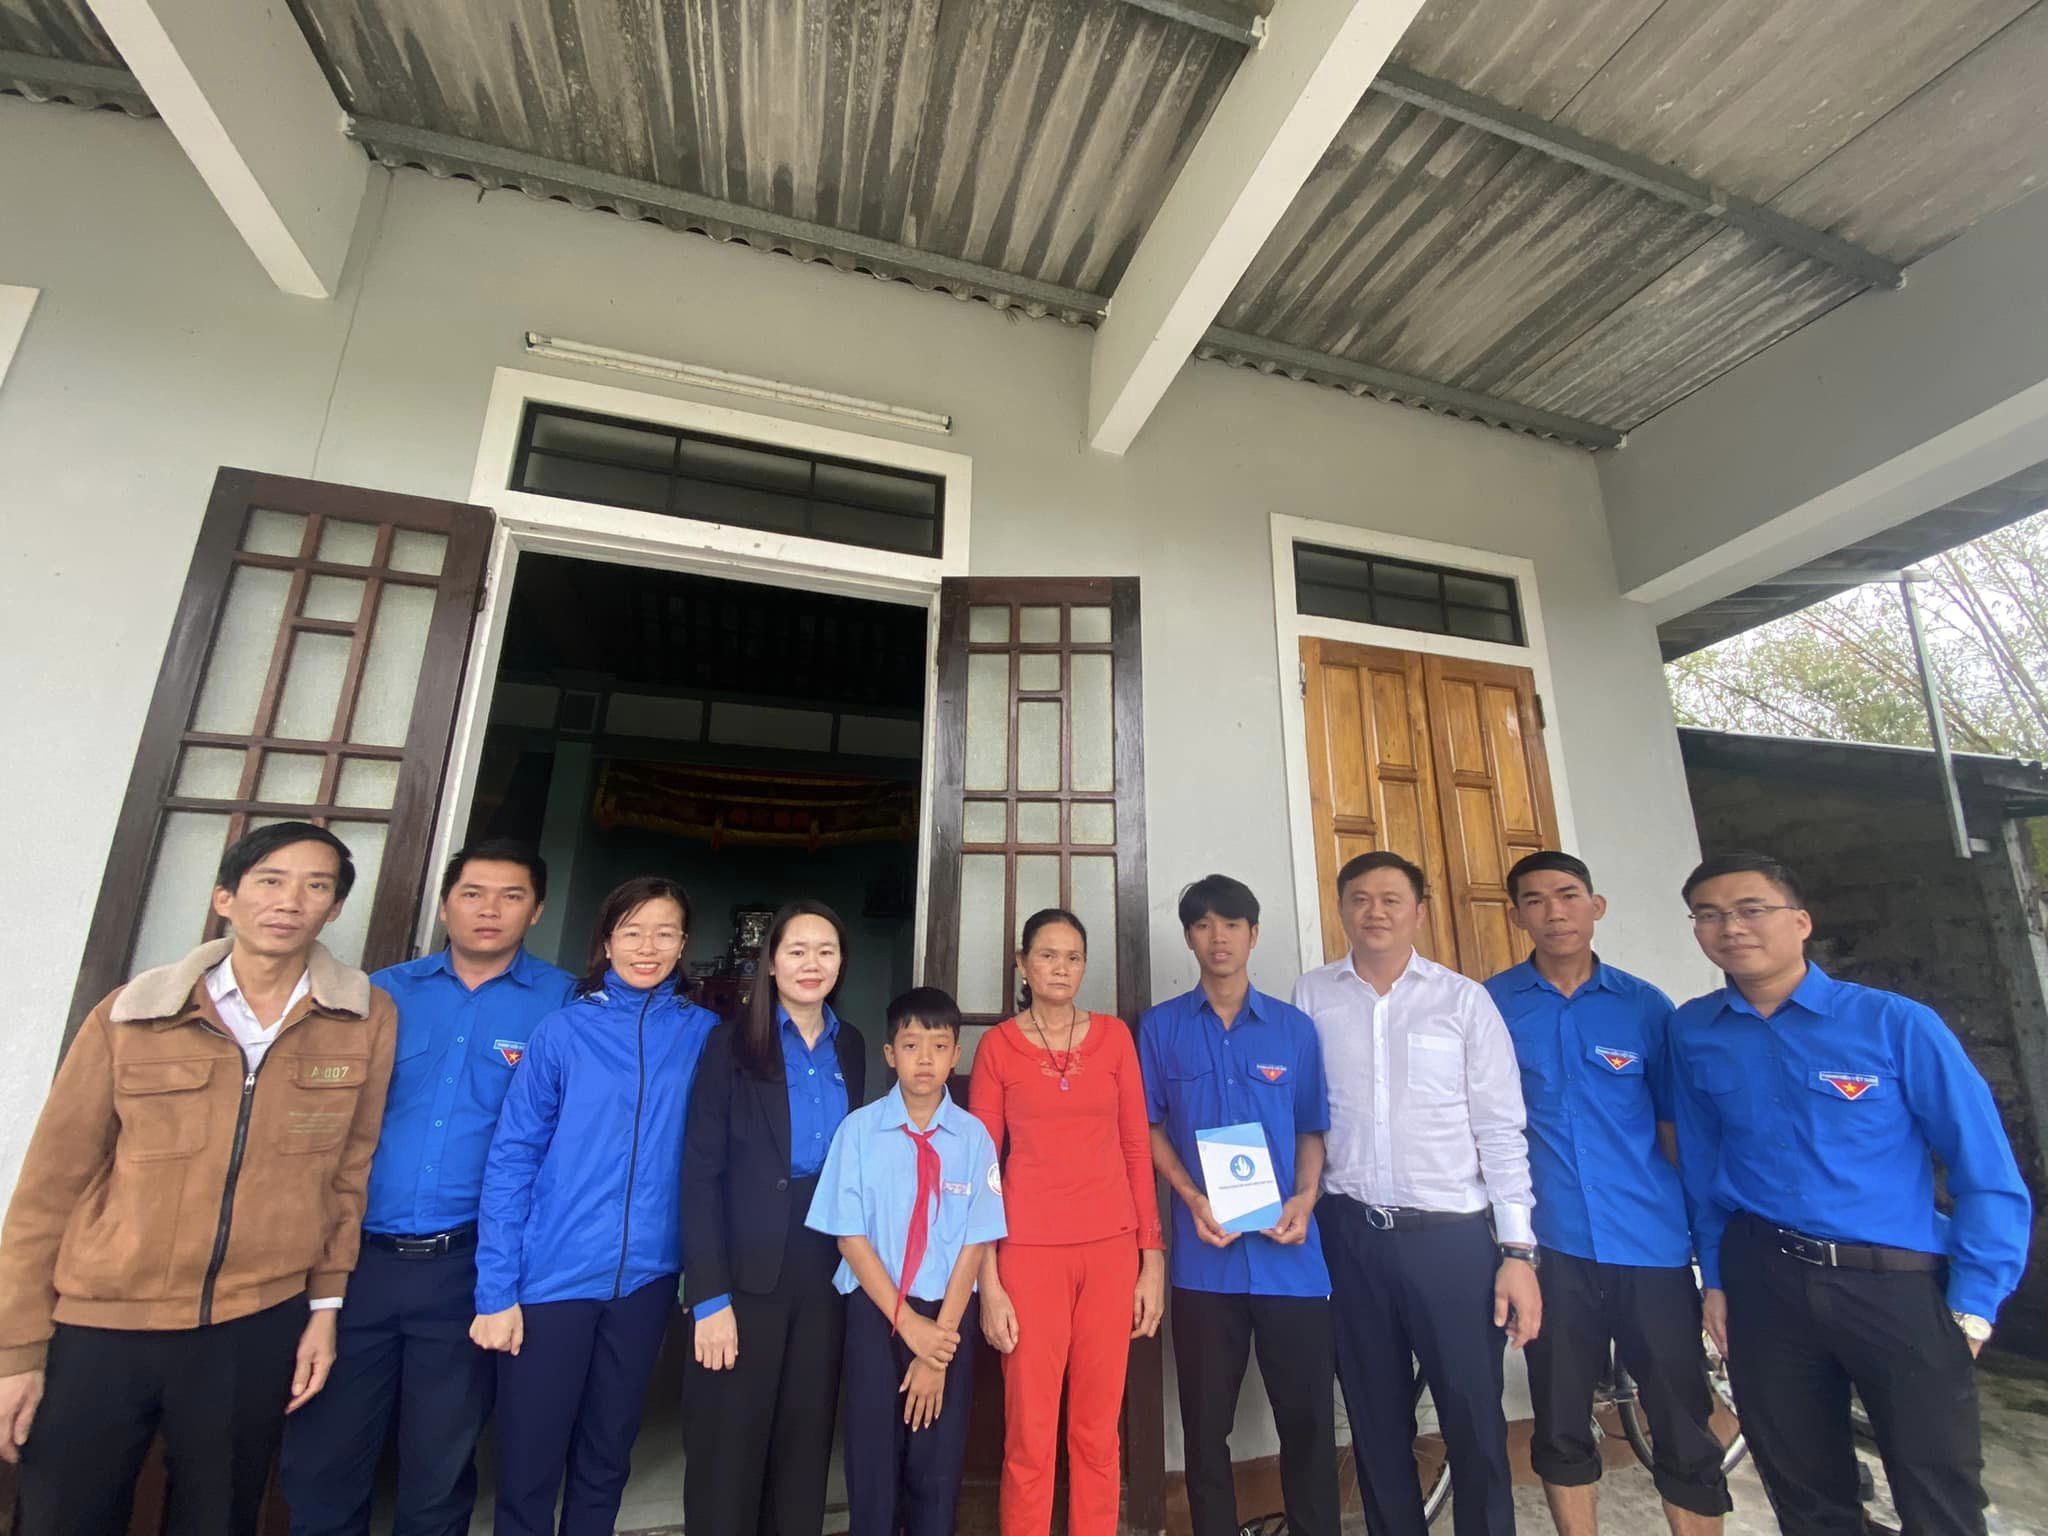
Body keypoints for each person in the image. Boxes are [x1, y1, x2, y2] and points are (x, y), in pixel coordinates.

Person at [0, 822, 396, 1536]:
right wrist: (16, 1350)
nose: (290, 901)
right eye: (269, 881)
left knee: (218, 1518)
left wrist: (324, 1308)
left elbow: (348, 1172)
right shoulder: (133, 1013)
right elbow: (48, 1187)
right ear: (225, 897)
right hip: (102, 1319)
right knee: (64, 1515)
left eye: (316, 886)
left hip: (255, 1320)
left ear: (335, 908)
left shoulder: (360, 1017)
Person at [1669, 850, 2031, 1536]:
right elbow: (1704, 1166)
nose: (1731, 927)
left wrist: (1976, 1305)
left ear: (1800, 921)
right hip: (1763, 1279)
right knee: (1805, 1492)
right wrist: (1715, 1278)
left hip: (1894, 1286)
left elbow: (1983, 1169)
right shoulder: (1694, 1030)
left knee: (1938, 1492)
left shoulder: (1895, 1024)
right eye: (1708, 915)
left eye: (1751, 910)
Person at [283, 838, 574, 1536]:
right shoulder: (379, 994)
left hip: (468, 1266)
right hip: (357, 1263)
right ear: (445, 905)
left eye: (511, 896)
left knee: (438, 1468)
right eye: (472, 893)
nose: (489, 910)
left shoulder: (563, 1005)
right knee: (325, 1461)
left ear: (536, 911)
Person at [1292, 850, 1538, 1536]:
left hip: (1450, 1243)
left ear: (1419, 912)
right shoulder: (1312, 996)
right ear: (1342, 909)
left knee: (1474, 1419)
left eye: (1391, 899)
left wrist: (1518, 1251)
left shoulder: (1463, 1001)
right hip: (1349, 1237)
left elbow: (1501, 1129)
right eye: (1360, 899)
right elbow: (1301, 1115)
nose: (1375, 912)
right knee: (1374, 1421)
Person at [1484, 851, 1730, 1536]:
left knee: (1683, 1420)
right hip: (1552, 1247)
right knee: (1561, 1421)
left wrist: (1707, 1252)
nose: (1554, 912)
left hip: (1650, 1244)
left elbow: (1676, 1130)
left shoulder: (1647, 1008)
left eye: (1568, 895)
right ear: (1517, 916)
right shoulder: (1492, 1006)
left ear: (1596, 906)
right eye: (1535, 900)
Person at [467, 875, 718, 1536]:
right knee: (529, 1462)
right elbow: (512, 1158)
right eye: (632, 932)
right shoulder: (562, 1032)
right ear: (606, 942)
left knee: (607, 1456)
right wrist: (496, 1289)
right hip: (552, 1278)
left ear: (683, 944)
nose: (647, 947)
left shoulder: (704, 1035)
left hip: (647, 1281)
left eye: (664, 933)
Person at [1139, 875, 1340, 1536]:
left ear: (1253, 935)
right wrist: (1191, 1197)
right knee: (1205, 1432)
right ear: (1189, 937)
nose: (1217, 938)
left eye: (1231, 924)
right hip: (1206, 1264)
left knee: (1308, 1425)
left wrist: (1306, 1197)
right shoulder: (1161, 1029)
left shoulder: (1294, 1030)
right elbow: (1149, 1127)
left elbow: (1311, 1127)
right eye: (1203, 925)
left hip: (1292, 1262)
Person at [969, 907, 1166, 1536]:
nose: (1061, 968)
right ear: (1022, 965)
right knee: (1029, 1434)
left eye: (1073, 957)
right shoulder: (997, 1047)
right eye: (1047, 955)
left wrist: (1151, 1261)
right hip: (1027, 1254)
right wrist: (988, 1283)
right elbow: (981, 1168)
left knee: (1097, 1430)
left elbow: (1136, 1147)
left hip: (1111, 1252)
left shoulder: (1114, 1038)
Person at [683, 899, 867, 1536]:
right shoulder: (729, 1044)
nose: (812, 964)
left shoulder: (851, 1044)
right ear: (770, 962)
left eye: (826, 951)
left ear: (841, 963)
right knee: (730, 1449)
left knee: (804, 1441)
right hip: (745, 1269)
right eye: (797, 951)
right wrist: (709, 1298)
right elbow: (699, 1175)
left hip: (826, 1265)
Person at [806, 987, 1006, 1536]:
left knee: (937, 1464)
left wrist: (935, 1346)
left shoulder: (974, 1139)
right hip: (875, 1313)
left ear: (956, 1055)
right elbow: (849, 1238)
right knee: (872, 1460)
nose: (924, 1059)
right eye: (911, 1044)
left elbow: (976, 1242)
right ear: (889, 1054)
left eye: (938, 1047)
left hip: (948, 1317)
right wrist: (906, 1323)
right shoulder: (858, 1132)